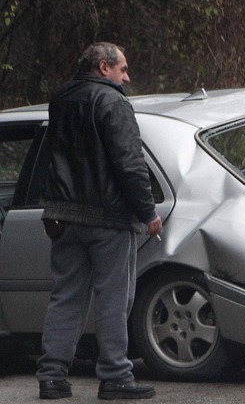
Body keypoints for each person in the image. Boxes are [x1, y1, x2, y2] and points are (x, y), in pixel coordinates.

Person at [36, 42, 162, 400]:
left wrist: (52, 207)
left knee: (66, 297)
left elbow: (52, 157)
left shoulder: (60, 100)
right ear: (104, 66)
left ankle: (52, 376)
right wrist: (147, 211)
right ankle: (115, 376)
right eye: (123, 69)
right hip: (108, 217)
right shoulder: (113, 102)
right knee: (113, 297)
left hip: (64, 216)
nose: (127, 77)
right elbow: (129, 162)